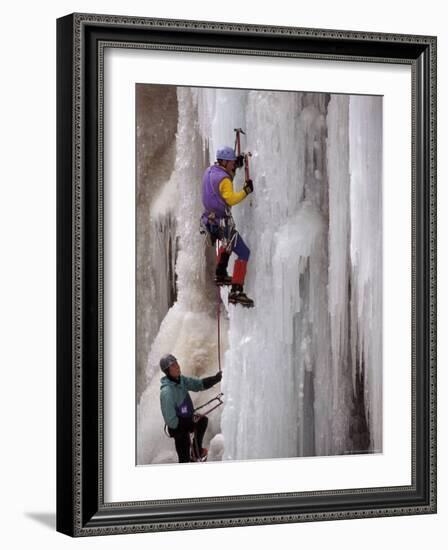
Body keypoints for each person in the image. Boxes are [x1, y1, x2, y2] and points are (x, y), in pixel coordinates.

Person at [201, 146, 254, 308]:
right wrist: (245, 191)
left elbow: (219, 188)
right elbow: (230, 198)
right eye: (231, 163)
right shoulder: (224, 180)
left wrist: (234, 166)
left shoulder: (210, 172)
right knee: (244, 252)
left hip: (210, 222)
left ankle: (221, 273)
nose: (233, 165)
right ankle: (236, 290)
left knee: (227, 243)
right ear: (224, 162)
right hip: (223, 223)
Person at [159, 354, 222, 463]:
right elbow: (170, 421)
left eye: (176, 363)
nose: (177, 366)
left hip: (186, 420)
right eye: (173, 365)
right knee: (184, 458)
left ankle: (196, 453)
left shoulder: (181, 380)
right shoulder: (167, 392)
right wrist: (187, 423)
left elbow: (198, 384)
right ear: (167, 371)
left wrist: (216, 379)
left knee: (202, 421)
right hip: (178, 430)